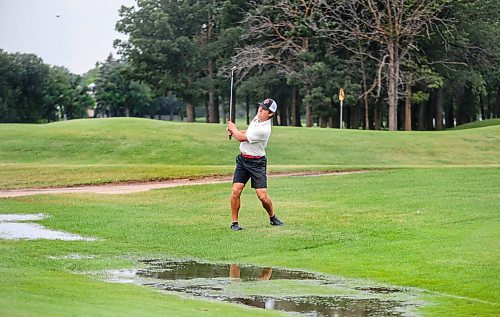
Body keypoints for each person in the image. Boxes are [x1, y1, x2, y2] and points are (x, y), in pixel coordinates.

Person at [226, 98, 285, 231]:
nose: (260, 110)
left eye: (264, 109)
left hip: (257, 163)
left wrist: (233, 129)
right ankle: (234, 223)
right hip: (243, 160)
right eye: (260, 107)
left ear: (270, 114)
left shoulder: (264, 129)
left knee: (262, 196)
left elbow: (241, 138)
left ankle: (272, 217)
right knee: (236, 191)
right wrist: (235, 131)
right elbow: (245, 134)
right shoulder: (256, 119)